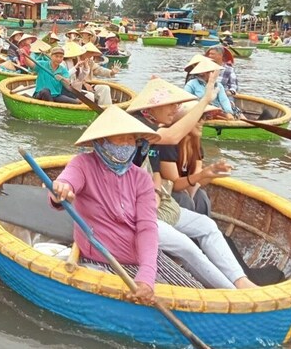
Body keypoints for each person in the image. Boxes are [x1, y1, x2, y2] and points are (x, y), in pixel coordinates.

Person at [126, 79, 256, 289]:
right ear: (152, 106)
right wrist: (204, 100)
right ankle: (233, 293)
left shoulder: (153, 130)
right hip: (129, 211)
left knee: (207, 226)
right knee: (187, 247)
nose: (175, 109)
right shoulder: (139, 124)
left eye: (178, 105)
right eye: (171, 104)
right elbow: (173, 136)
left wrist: (157, 193)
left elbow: (155, 172)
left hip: (149, 203)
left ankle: (242, 282)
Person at [49, 106, 160, 304]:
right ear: (101, 141)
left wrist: (147, 273)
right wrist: (60, 192)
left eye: (131, 139)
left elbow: (147, 227)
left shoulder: (141, 178)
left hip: (137, 256)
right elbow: (65, 183)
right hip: (101, 256)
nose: (127, 144)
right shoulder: (83, 164)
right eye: (120, 139)